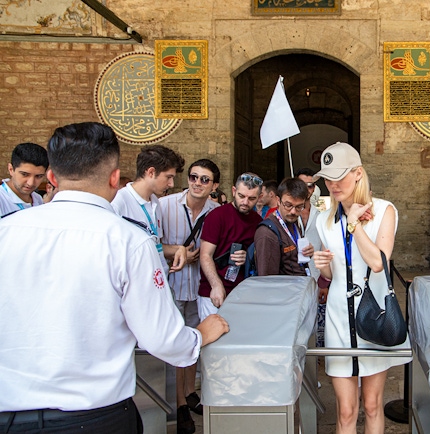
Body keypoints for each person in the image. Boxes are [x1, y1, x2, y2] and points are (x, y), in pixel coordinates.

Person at [0, 122, 228, 433]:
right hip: (93, 413)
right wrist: (200, 334)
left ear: (51, 178)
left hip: (10, 411)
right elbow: (162, 337)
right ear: (114, 179)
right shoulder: (130, 241)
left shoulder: (6, 231)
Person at [312, 142, 411, 433]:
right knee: (345, 410)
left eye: (339, 176)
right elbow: (332, 274)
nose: (332, 185)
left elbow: (378, 262)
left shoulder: (384, 211)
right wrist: (321, 264)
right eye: (328, 178)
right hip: (339, 318)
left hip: (374, 314)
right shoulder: (323, 218)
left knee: (371, 404)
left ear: (358, 173)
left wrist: (354, 225)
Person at [160, 159, 221, 433]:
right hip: (170, 283)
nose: (197, 183)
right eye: (194, 177)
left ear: (214, 186)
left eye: (204, 179)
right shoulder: (165, 206)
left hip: (198, 285)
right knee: (174, 343)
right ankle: (179, 403)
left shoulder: (216, 211)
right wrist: (178, 251)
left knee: (194, 341)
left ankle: (189, 392)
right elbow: (150, 245)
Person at [112, 145, 187, 274]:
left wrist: (178, 249)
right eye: (168, 177)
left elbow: (154, 245)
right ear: (151, 172)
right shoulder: (118, 202)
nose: (171, 184)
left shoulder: (156, 202)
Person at [198, 172, 263, 320]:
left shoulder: (258, 221)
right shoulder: (217, 216)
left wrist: (248, 256)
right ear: (234, 191)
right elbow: (205, 255)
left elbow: (259, 254)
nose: (245, 202)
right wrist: (216, 285)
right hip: (213, 292)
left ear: (259, 198)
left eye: (251, 198)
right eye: (241, 196)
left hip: (243, 294)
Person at [254, 177, 314, 276]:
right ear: (278, 200)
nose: (293, 211)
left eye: (299, 206)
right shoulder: (267, 233)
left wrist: (307, 252)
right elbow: (267, 279)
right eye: (288, 205)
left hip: (300, 287)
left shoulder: (292, 221)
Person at [297, 168, 327, 345]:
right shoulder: (287, 214)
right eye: (303, 185)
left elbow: (326, 247)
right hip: (293, 275)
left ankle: (315, 363)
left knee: (316, 321)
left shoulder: (321, 215)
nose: (307, 189)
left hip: (316, 274)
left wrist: (324, 280)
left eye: (311, 186)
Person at [0, 142, 48, 218]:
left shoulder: (38, 199)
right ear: (11, 169)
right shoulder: (2, 198)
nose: (31, 183)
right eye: (24, 174)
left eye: (38, 176)